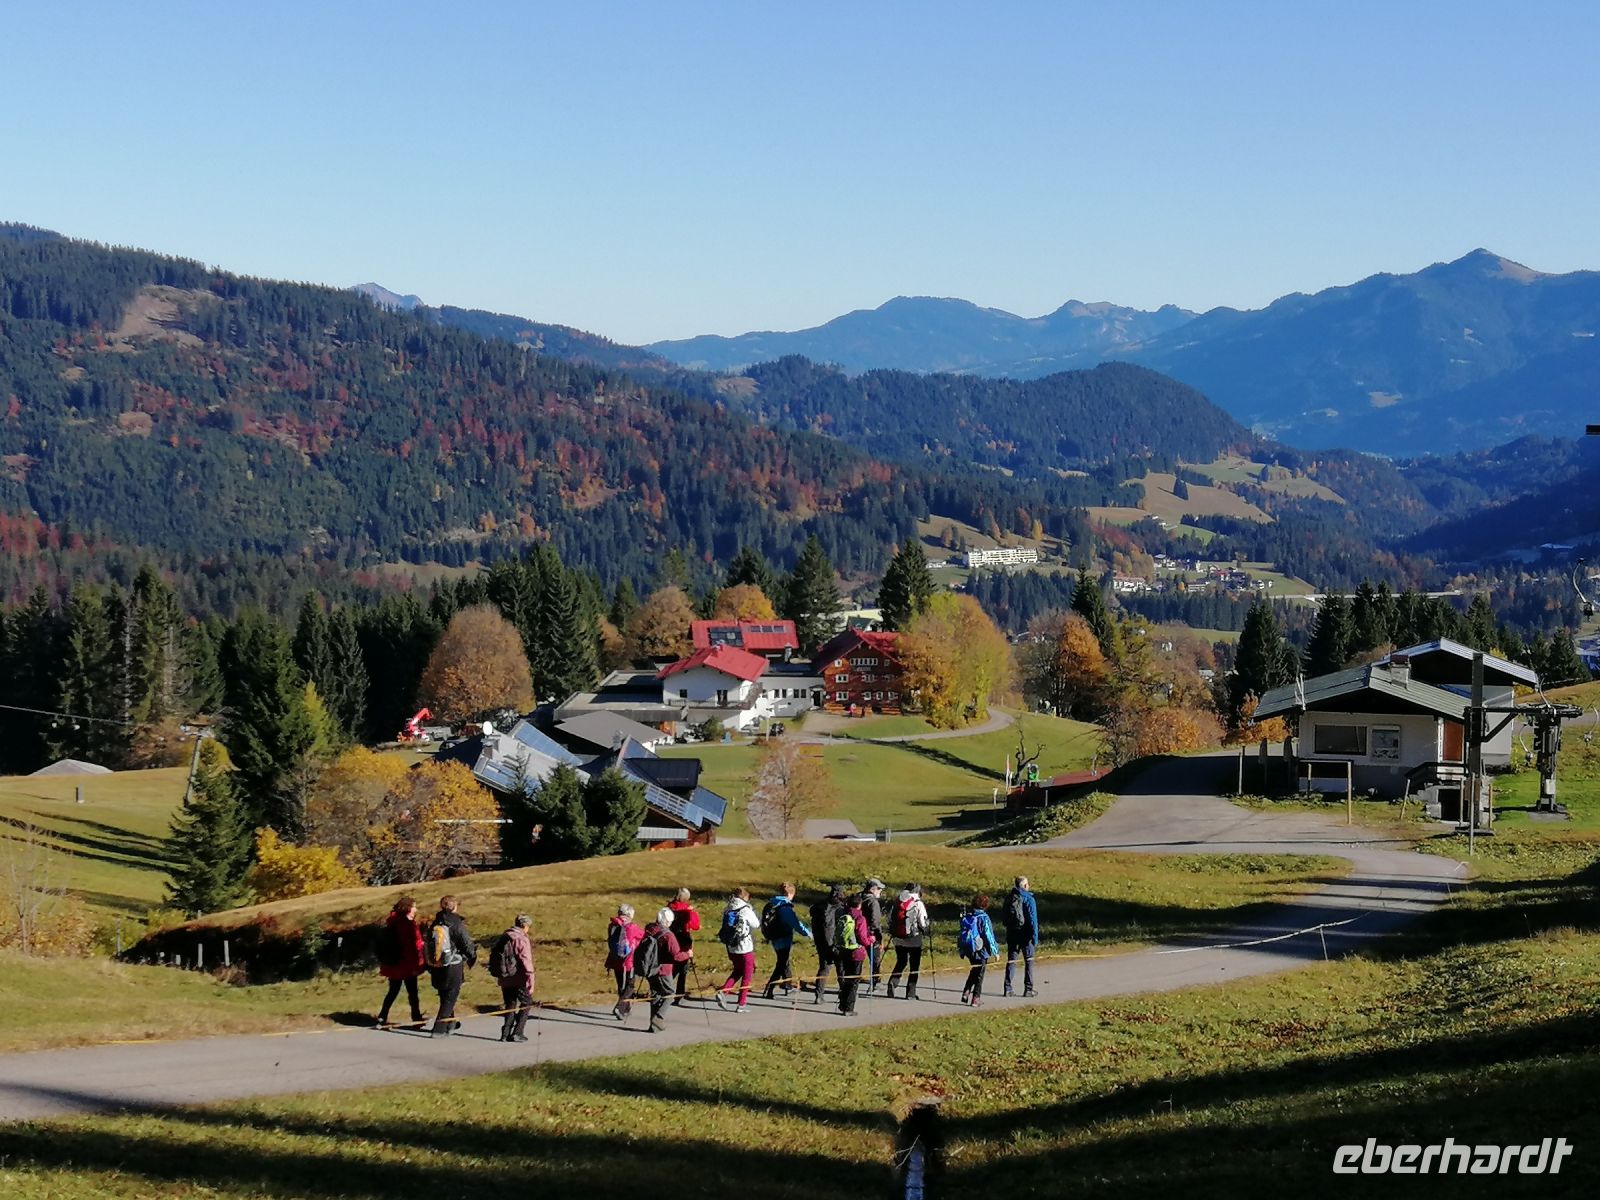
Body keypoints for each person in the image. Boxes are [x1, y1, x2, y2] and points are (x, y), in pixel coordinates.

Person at [427, 894, 477, 1036]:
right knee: (452, 994)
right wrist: (472, 955)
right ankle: (439, 1029)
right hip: (453, 963)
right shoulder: (456, 922)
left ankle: (451, 1023)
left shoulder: (436, 922)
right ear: (454, 907)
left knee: (444, 992)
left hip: (437, 963)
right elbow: (466, 942)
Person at [375, 895, 427, 1028]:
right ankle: (416, 1018)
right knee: (413, 992)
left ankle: (382, 1016)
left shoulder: (393, 921)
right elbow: (412, 945)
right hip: (406, 963)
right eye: (414, 907)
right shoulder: (407, 923)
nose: (416, 909)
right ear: (409, 908)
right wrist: (418, 961)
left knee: (393, 991)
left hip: (394, 961)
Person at [642, 906, 692, 1033]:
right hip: (664, 969)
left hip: (650, 968)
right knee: (670, 994)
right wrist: (688, 954)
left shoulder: (650, 929)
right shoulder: (668, 935)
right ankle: (658, 1018)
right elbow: (676, 955)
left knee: (656, 995)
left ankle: (653, 1025)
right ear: (668, 921)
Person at [760, 882, 811, 999]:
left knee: (783, 961)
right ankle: (769, 989)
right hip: (783, 937)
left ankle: (787, 986)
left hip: (773, 936)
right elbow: (795, 923)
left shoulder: (772, 903)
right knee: (781, 964)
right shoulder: (785, 907)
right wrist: (807, 933)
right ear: (790, 893)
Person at [713, 887, 760, 1012]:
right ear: (745, 897)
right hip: (745, 947)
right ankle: (741, 1004)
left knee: (738, 970)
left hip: (731, 946)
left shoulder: (728, 908)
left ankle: (724, 991)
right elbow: (756, 924)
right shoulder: (745, 909)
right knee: (747, 975)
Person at [491, 914, 536, 1042]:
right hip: (520, 978)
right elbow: (526, 960)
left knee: (510, 1004)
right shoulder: (521, 938)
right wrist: (530, 979)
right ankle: (518, 1032)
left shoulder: (505, 936)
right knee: (526, 1003)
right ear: (525, 926)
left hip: (505, 977)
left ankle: (505, 1033)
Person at [886, 882, 930, 1000]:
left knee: (901, 961)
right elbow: (922, 922)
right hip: (914, 938)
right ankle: (910, 993)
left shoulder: (898, 901)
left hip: (898, 937)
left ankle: (893, 982)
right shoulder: (918, 903)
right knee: (914, 965)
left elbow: (889, 919)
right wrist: (927, 927)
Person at [603, 903, 644, 1020]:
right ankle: (620, 1007)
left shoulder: (612, 925)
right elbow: (643, 935)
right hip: (628, 962)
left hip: (615, 960)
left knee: (621, 986)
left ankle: (626, 1008)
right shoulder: (632, 927)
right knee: (630, 986)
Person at [1001, 875, 1040, 998]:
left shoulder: (1009, 897)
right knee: (1028, 961)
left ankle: (1008, 988)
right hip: (1026, 934)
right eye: (1027, 884)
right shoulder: (1029, 899)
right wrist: (1035, 937)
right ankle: (1028, 989)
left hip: (1012, 933)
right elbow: (1033, 920)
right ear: (1024, 885)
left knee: (1011, 961)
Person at [958, 892, 999, 1006]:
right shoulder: (984, 918)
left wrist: (962, 950)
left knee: (974, 971)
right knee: (980, 975)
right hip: (981, 950)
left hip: (970, 950)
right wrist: (995, 951)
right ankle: (976, 998)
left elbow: (961, 934)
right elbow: (989, 935)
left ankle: (966, 991)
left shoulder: (968, 917)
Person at [835, 891, 873, 1016]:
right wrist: (870, 941)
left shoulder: (843, 914)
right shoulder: (860, 918)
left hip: (844, 950)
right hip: (857, 952)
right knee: (854, 980)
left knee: (846, 977)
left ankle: (842, 1003)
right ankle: (849, 1008)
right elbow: (862, 937)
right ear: (859, 905)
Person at [808, 884, 846, 1004]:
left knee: (824, 968)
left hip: (821, 942)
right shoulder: (840, 908)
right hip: (835, 943)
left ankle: (819, 995)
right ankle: (843, 994)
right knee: (841, 968)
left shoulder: (819, 906)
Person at [667, 887, 701, 1006]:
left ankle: (665, 990)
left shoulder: (669, 907)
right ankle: (679, 995)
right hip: (683, 939)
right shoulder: (687, 910)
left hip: (670, 938)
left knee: (671, 966)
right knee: (682, 969)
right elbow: (696, 925)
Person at [860, 878, 887, 993]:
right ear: (873, 889)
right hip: (871, 935)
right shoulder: (873, 902)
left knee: (858, 958)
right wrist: (878, 936)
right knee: (875, 959)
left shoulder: (859, 898)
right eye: (879, 889)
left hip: (858, 933)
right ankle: (876, 982)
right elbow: (875, 921)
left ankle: (853, 980)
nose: (880, 891)